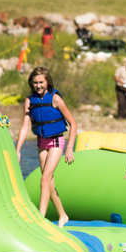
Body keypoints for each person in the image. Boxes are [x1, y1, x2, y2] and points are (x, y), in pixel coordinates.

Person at [15, 67, 78, 227]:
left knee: (44, 178)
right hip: (41, 142)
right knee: (49, 183)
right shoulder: (30, 101)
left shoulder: (55, 99)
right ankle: (63, 215)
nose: (38, 86)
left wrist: (70, 148)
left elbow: (73, 123)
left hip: (56, 141)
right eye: (35, 83)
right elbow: (24, 127)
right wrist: (18, 149)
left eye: (41, 82)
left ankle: (40, 218)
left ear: (47, 82)